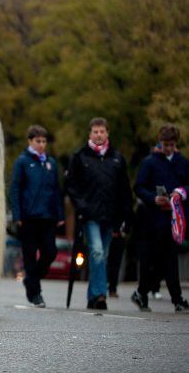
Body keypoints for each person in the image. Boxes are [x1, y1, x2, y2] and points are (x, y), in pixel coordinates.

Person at [65, 117, 132, 310]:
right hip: (90, 214)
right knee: (96, 251)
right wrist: (82, 205)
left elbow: (125, 190)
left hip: (111, 215)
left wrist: (126, 217)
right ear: (90, 134)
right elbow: (71, 186)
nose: (99, 135)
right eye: (95, 131)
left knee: (103, 255)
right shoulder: (80, 157)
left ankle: (93, 297)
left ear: (107, 133)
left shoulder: (117, 158)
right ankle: (100, 294)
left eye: (102, 131)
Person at [131, 125, 189, 312]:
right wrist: (152, 198)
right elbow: (139, 186)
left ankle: (176, 299)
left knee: (170, 261)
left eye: (172, 145)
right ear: (159, 141)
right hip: (151, 220)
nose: (168, 148)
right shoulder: (150, 162)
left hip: (172, 220)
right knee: (150, 261)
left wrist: (181, 192)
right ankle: (142, 294)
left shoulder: (182, 162)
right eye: (165, 144)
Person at [9, 125, 64, 308]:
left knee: (50, 252)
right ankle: (36, 293)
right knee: (30, 256)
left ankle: (30, 280)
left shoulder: (51, 163)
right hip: (29, 217)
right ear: (30, 141)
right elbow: (15, 189)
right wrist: (17, 214)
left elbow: (56, 190)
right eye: (37, 141)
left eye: (43, 141)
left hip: (48, 216)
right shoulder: (23, 161)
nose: (41, 145)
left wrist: (60, 214)